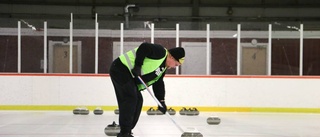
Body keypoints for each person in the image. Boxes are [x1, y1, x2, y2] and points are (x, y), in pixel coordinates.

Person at [109, 42, 185, 137]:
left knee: (138, 100)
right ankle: (124, 133)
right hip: (121, 69)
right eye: (176, 64)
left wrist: (161, 101)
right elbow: (144, 47)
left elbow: (158, 83)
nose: (174, 67)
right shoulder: (160, 52)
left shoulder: (162, 69)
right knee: (131, 98)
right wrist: (138, 66)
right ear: (171, 57)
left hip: (129, 76)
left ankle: (127, 130)